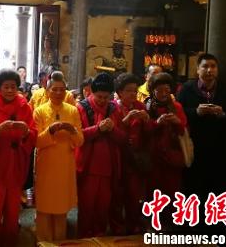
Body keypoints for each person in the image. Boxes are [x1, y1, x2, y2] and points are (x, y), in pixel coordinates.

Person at [0, 69, 37, 247]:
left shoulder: (25, 106)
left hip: (16, 162)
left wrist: (26, 132)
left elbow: (34, 133)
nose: (10, 90)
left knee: (13, 210)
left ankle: (10, 241)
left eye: (13, 86)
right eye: (6, 87)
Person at [177, 53, 226, 202]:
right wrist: (195, 112)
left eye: (213, 66)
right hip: (193, 144)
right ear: (198, 69)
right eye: (205, 66)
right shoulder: (186, 89)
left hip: (217, 147)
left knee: (215, 189)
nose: (209, 70)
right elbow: (178, 112)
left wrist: (222, 114)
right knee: (192, 187)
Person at [34, 72, 83, 242]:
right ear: (47, 91)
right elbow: (36, 142)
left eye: (62, 89)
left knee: (61, 210)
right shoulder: (39, 111)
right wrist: (51, 131)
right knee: (44, 209)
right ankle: (43, 243)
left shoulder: (72, 110)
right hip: (46, 164)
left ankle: (60, 242)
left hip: (65, 164)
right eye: (54, 89)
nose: (58, 93)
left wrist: (72, 130)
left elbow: (80, 141)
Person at [75, 73, 126, 238]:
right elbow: (77, 137)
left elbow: (123, 138)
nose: (103, 100)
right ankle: (84, 237)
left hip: (108, 166)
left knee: (103, 206)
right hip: (87, 166)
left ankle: (100, 236)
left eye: (106, 97)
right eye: (99, 97)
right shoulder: (81, 107)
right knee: (87, 205)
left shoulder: (114, 109)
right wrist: (98, 129)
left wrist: (112, 129)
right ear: (91, 92)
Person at [145, 72, 188, 229]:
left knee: (172, 193)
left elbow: (184, 131)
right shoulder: (147, 106)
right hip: (153, 158)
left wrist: (177, 122)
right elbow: (143, 131)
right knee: (153, 193)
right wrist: (157, 123)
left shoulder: (177, 107)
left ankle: (171, 225)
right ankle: (154, 225)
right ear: (152, 91)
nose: (164, 94)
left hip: (172, 157)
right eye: (159, 90)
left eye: (167, 90)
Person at [113, 73, 150, 234]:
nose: (133, 94)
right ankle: (116, 228)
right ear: (120, 92)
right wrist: (126, 120)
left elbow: (147, 133)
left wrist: (147, 120)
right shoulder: (113, 107)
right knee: (117, 194)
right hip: (118, 155)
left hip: (135, 157)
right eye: (129, 90)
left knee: (134, 194)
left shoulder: (140, 106)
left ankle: (133, 226)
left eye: (135, 90)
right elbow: (112, 131)